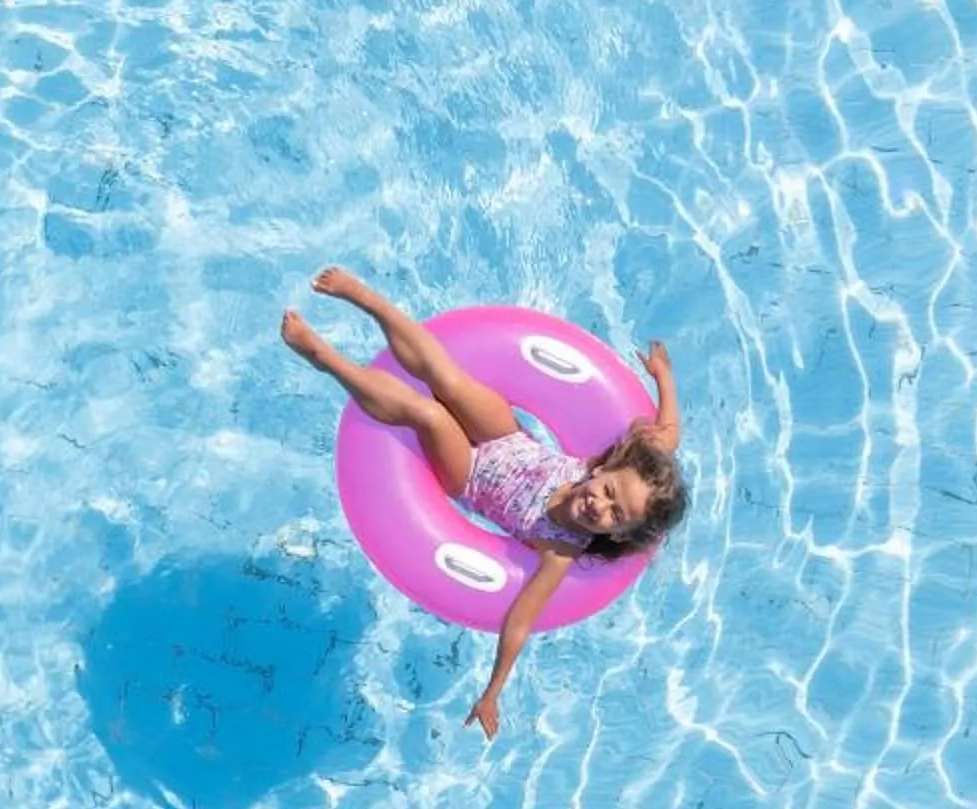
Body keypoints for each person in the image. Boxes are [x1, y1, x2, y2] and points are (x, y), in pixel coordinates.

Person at [282, 266, 685, 740]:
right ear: (603, 469)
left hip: (469, 476)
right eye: (610, 493)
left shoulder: (562, 549)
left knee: (428, 414)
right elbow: (667, 437)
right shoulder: (604, 467)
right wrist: (664, 378)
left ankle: (325, 358)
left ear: (618, 534)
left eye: (617, 516)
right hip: (506, 437)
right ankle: (366, 299)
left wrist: (492, 691)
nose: (602, 506)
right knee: (446, 377)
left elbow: (519, 622)